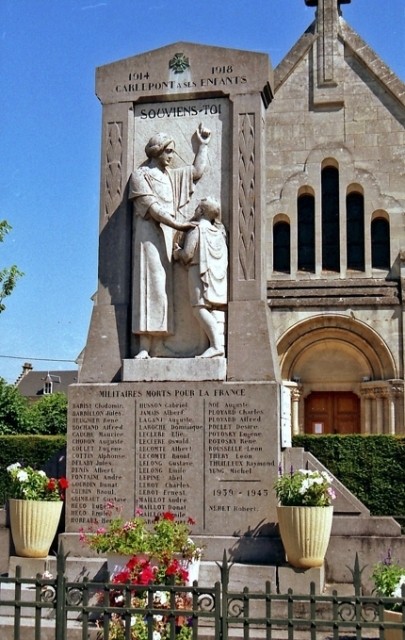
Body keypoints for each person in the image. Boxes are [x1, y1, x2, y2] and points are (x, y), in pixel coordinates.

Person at [129, 124, 211, 358]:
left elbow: (196, 172)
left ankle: (159, 344)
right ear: (157, 151)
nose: (172, 156)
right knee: (149, 286)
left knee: (163, 289)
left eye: (173, 152)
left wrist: (203, 145)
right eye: (168, 152)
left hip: (166, 237)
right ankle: (144, 347)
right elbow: (153, 209)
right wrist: (180, 225)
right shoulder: (140, 175)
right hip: (149, 238)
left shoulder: (170, 176)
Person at [173, 197, 228, 358]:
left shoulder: (195, 230)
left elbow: (187, 254)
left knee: (199, 309)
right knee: (209, 309)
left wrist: (177, 252)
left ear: (201, 211)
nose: (195, 209)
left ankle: (216, 346)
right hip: (214, 276)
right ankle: (208, 346)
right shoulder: (219, 232)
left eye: (197, 207)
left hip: (197, 272)